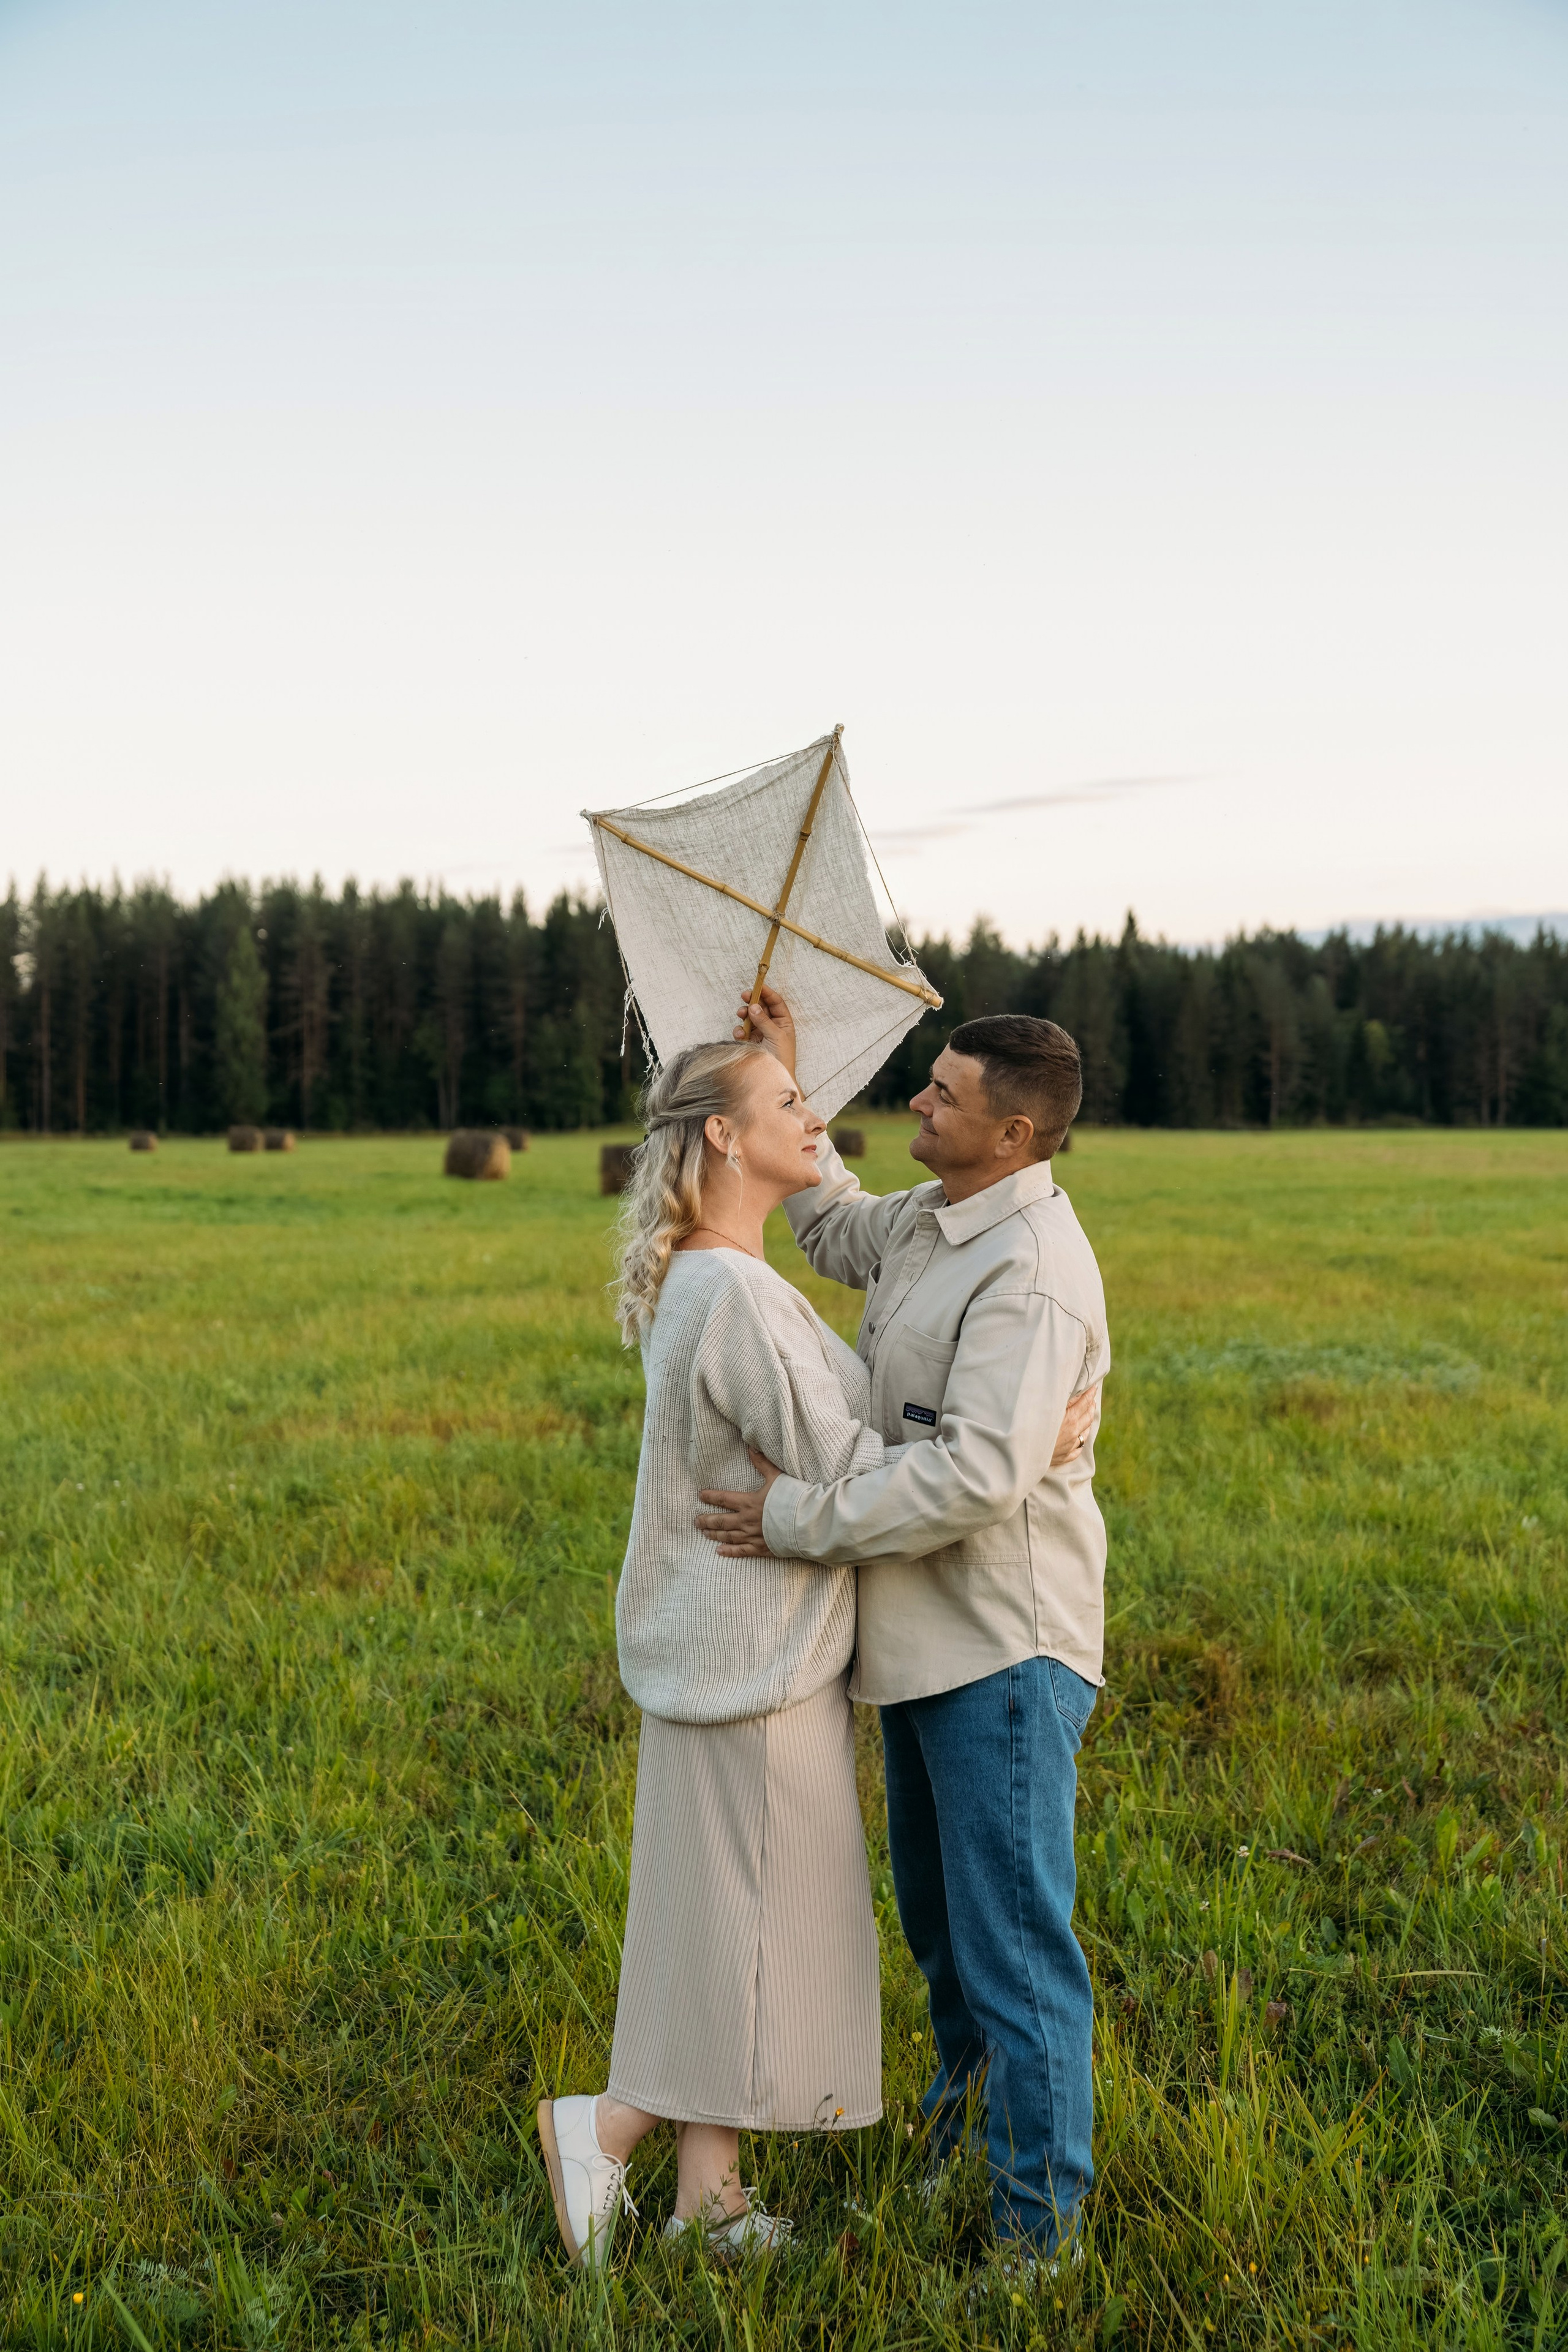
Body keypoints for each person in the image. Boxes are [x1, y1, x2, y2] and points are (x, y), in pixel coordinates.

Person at [696, 990, 1109, 2271]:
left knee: (1015, 1952)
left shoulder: (1030, 1274)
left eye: (942, 1094)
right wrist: (786, 1074)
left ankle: (1038, 2243)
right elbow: (823, 1223)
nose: (917, 1102)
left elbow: (974, 1481)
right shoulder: (934, 1220)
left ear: (1017, 1134)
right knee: (944, 1938)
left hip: (1002, 1650)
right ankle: (959, 2162)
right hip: (925, 1647)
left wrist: (793, 1519)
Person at [535, 1037, 891, 2270]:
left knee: (716, 1922)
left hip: (720, 1648)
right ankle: (610, 2124)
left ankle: (711, 2196)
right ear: (724, 1138)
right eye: (791, 1102)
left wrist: (775, 1058)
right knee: (753, 1933)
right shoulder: (733, 1293)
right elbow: (843, 1465)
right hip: (756, 1656)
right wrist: (1008, 1431)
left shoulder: (702, 1272)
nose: (819, 1118)